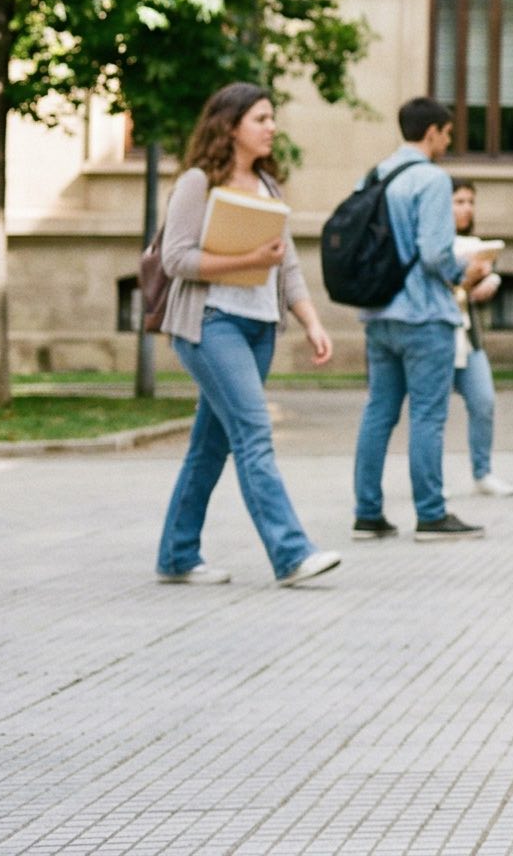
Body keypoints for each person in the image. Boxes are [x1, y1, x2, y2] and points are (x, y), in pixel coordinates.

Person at [152, 83, 342, 588]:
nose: (271, 127)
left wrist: (312, 322)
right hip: (210, 325)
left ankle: (176, 554)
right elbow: (176, 259)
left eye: (272, 118)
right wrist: (249, 260)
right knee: (255, 433)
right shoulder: (198, 183)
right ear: (230, 125)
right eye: (261, 118)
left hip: (260, 329)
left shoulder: (268, 186)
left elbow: (290, 265)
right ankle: (291, 553)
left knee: (210, 447)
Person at [351, 97, 492, 540]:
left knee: (379, 412)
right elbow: (434, 251)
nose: (448, 142)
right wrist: (463, 273)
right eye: (447, 134)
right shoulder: (432, 180)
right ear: (431, 132)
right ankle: (431, 514)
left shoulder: (373, 175)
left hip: (379, 312)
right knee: (428, 416)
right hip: (425, 314)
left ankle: (368, 513)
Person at [446, 178, 513, 499]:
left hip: (469, 337)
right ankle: (430, 480)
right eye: (459, 201)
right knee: (429, 411)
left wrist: (484, 285)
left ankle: (482, 471)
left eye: (470, 202)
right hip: (439, 337)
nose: (466, 208)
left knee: (483, 400)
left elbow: (469, 290)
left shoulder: (474, 243)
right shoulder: (436, 243)